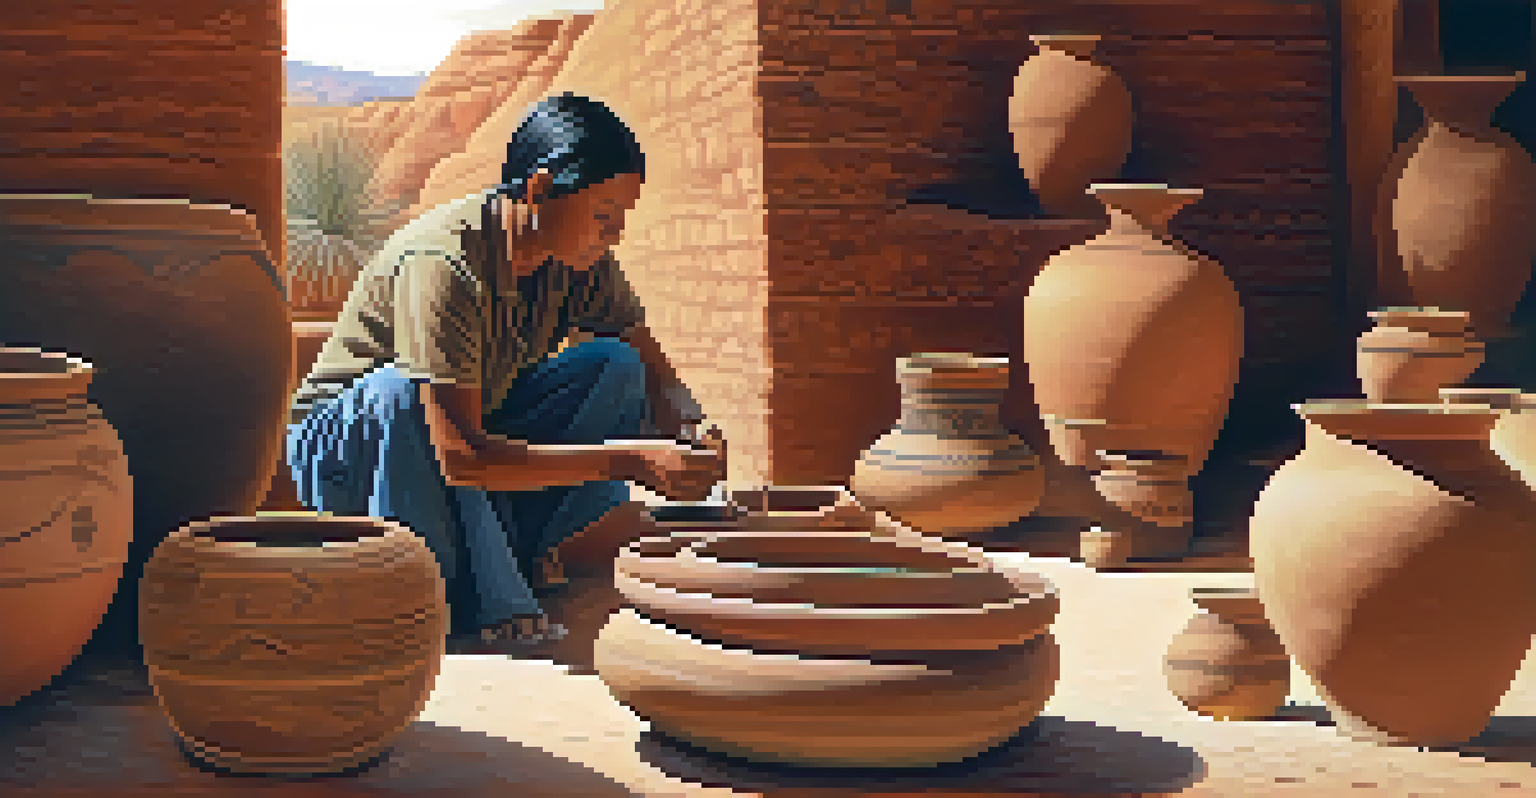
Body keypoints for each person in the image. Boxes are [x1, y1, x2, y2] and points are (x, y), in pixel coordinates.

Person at [285, 92, 725, 647]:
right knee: (402, 390)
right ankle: (469, 593)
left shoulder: (579, 263)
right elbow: (462, 455)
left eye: (621, 218)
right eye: (603, 215)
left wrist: (691, 427)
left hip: (464, 431)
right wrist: (629, 458)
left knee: (614, 364)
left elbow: (657, 371)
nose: (614, 235)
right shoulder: (445, 264)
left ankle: (514, 548)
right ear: (540, 191)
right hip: (351, 451)